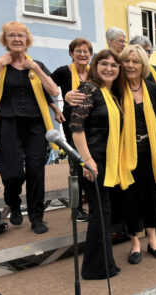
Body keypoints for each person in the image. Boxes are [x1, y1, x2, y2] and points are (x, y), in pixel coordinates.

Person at [0, 21, 62, 234]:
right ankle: (13, 201)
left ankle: (37, 218)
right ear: (5, 40)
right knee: (12, 174)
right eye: (12, 36)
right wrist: (0, 65)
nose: (17, 39)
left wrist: (36, 68)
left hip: (35, 125)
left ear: (27, 40)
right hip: (6, 123)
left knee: (36, 172)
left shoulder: (36, 64)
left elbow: (54, 91)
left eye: (21, 36)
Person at [70, 49, 123, 279]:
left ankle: (104, 264)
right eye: (104, 63)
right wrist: (87, 160)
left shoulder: (111, 94)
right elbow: (76, 128)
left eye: (114, 65)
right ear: (95, 65)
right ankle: (94, 269)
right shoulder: (89, 88)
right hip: (94, 159)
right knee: (99, 213)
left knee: (104, 212)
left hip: (108, 159)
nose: (109, 68)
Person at [118, 45, 156, 264]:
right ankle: (135, 244)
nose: (130, 65)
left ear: (143, 65)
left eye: (135, 61)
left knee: (152, 197)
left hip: (149, 151)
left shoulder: (154, 90)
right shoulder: (116, 89)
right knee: (130, 199)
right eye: (127, 61)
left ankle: (153, 240)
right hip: (125, 153)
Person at [51, 37, 93, 222]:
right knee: (77, 163)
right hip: (72, 124)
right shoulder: (62, 71)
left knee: (92, 162)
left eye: (86, 51)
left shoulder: (95, 73)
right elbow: (45, 89)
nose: (83, 54)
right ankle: (76, 208)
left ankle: (93, 203)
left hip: (93, 123)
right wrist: (56, 108)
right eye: (79, 51)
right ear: (71, 54)